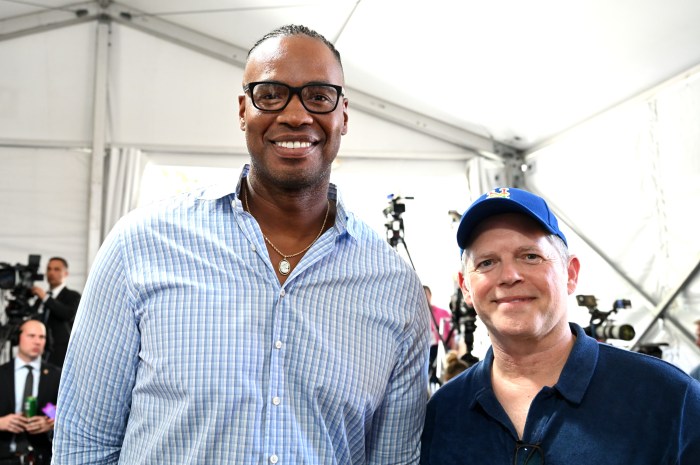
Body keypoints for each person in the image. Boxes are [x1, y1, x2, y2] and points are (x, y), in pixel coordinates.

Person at [53, 24, 430, 464]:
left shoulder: (394, 287)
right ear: (242, 110)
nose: (295, 115)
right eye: (270, 94)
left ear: (343, 114)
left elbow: (395, 460)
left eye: (319, 96)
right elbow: (83, 443)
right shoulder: (140, 246)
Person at [421, 187, 700, 464]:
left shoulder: (670, 399)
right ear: (466, 288)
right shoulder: (442, 412)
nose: (509, 275)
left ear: (571, 273)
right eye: (487, 262)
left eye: (530, 256)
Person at [0, 320, 61, 465]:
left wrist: (51, 422)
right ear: (18, 338)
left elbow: (54, 409)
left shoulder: (56, 376)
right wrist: (1, 423)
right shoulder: (2, 373)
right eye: (31, 336)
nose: (37, 341)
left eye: (42, 337)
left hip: (41, 456)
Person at [31, 257, 81, 367]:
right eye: (49, 269)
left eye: (56, 269)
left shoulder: (73, 296)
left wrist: (45, 298)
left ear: (66, 273)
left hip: (60, 353)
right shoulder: (40, 298)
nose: (51, 272)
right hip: (39, 351)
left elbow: (68, 314)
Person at [424, 285, 453, 381]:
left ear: (430, 296)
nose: (424, 298)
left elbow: (452, 335)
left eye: (426, 295)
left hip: (443, 350)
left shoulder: (443, 313)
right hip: (427, 354)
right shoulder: (416, 316)